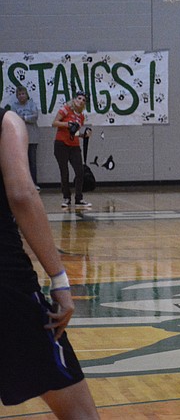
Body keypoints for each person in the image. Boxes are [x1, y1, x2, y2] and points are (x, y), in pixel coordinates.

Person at [0, 109, 100, 418]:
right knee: (80, 413)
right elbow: (22, 194)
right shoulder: (7, 122)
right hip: (7, 286)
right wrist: (59, 280)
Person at [51, 91, 92, 209]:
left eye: (83, 100)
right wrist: (67, 124)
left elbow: (74, 132)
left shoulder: (81, 116)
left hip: (74, 145)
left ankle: (79, 198)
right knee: (64, 172)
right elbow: (54, 123)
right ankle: (66, 197)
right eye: (79, 98)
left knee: (79, 171)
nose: (81, 101)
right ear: (74, 100)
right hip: (61, 144)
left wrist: (83, 135)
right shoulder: (65, 110)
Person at [8, 86, 39, 189]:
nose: (22, 96)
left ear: (27, 95)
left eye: (23, 94)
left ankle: (34, 184)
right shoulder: (14, 106)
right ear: (17, 96)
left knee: (32, 162)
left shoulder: (32, 104)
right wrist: (26, 118)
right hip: (19, 138)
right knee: (21, 162)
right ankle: (23, 185)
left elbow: (35, 117)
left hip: (32, 138)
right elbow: (14, 119)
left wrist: (23, 118)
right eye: (19, 94)